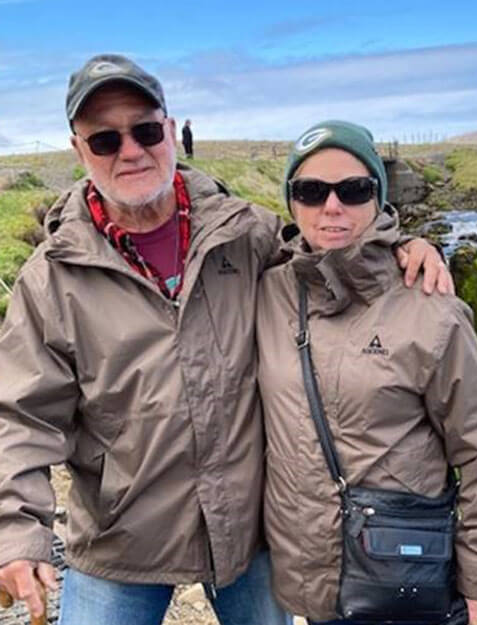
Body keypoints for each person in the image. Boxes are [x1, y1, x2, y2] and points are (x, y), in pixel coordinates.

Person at [0, 56, 452, 625]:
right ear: (78, 150)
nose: (131, 151)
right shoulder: (50, 278)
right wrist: (17, 534)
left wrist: (398, 246)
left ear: (171, 130)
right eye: (105, 139)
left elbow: (331, 255)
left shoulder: (248, 234)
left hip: (251, 533)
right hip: (120, 541)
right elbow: (21, 416)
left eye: (144, 130)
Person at [256, 121, 477, 625]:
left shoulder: (432, 309)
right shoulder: (269, 291)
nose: (331, 207)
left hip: (405, 576)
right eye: (311, 191)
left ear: (379, 197)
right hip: (315, 579)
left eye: (353, 190)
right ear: (291, 201)